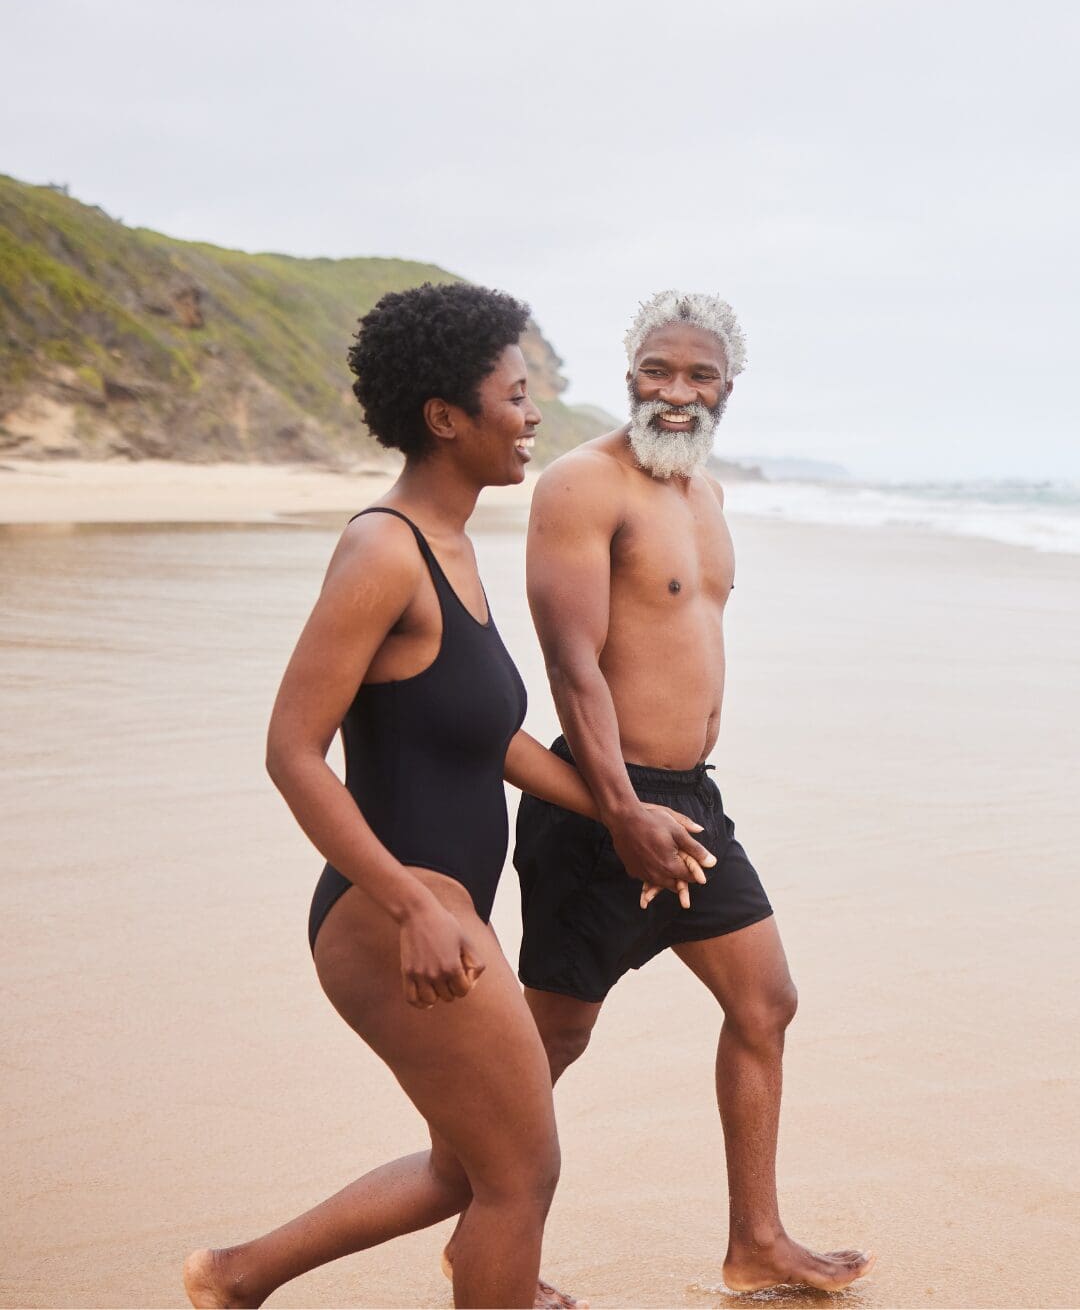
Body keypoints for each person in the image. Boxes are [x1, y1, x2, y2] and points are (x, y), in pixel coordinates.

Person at [181, 282, 710, 1310]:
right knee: (523, 1175)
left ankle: (235, 1277)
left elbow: (491, 738)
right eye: (515, 396)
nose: (531, 418)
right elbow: (293, 751)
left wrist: (621, 812)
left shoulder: (456, 550)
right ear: (446, 418)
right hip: (394, 911)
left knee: (467, 1169)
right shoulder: (384, 548)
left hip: (438, 905)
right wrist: (412, 903)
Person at [507, 290, 876, 1295]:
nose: (676, 392)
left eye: (698, 376)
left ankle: (755, 1242)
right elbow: (573, 664)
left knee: (766, 1002)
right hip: (599, 806)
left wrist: (664, 802)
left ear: (727, 388)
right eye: (658, 371)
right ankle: (493, 1255)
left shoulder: (702, 498)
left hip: (693, 802)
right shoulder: (583, 487)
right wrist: (621, 810)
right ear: (628, 372)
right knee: (552, 1043)